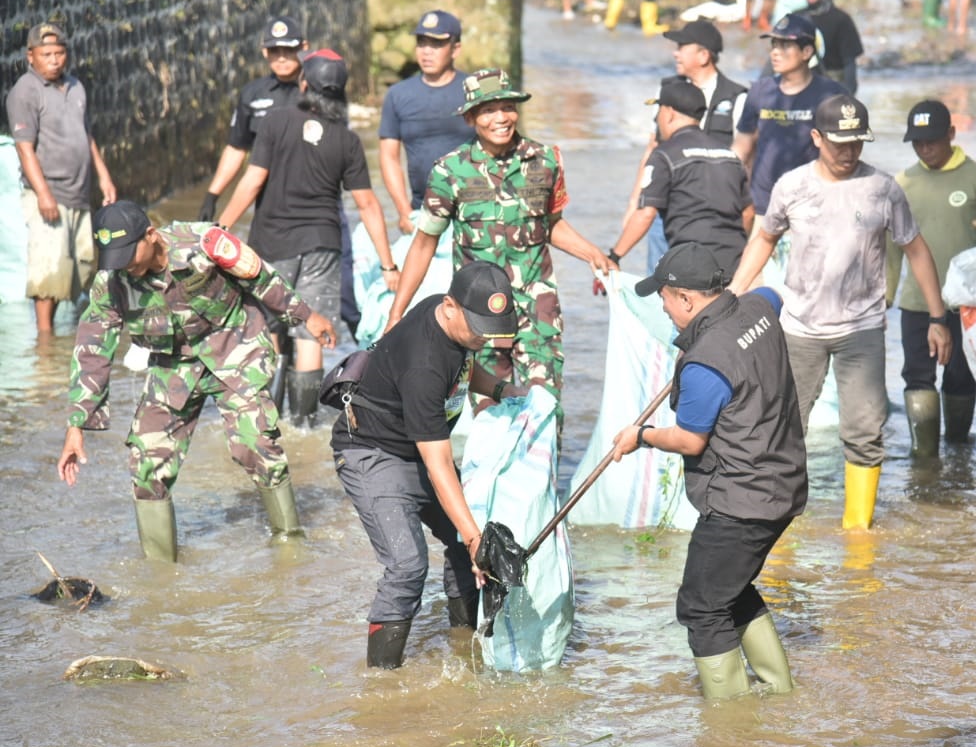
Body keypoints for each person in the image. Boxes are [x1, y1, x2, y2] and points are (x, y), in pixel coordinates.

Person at [56, 201, 338, 561]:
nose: (124, 264)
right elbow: (92, 349)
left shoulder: (204, 242)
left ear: (151, 235)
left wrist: (306, 316)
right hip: (173, 365)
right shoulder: (111, 283)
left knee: (254, 446)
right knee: (146, 465)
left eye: (129, 253)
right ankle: (160, 572)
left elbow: (261, 277)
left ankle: (290, 544)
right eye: (114, 256)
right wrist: (77, 425)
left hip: (235, 346)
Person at [729, 94, 951, 529]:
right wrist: (735, 294)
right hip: (799, 328)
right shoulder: (792, 186)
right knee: (782, 427)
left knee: (865, 433)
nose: (848, 153)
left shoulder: (883, 189)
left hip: (861, 330)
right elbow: (764, 238)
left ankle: (858, 532)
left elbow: (917, 252)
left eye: (857, 143)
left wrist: (938, 318)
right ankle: (776, 524)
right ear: (816, 138)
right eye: (838, 144)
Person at [612, 242, 807, 699]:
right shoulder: (759, 309)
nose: (663, 309)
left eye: (664, 299)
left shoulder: (705, 364)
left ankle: (729, 722)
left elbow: (688, 439)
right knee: (729, 588)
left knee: (701, 606)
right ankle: (780, 691)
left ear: (687, 298)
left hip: (740, 500)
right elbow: (773, 295)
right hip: (784, 485)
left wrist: (640, 436)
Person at [386, 68, 615, 413]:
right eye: (488, 110)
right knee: (490, 410)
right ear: (470, 117)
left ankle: (547, 468)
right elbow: (424, 243)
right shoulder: (450, 171)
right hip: (478, 313)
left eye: (507, 107)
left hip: (537, 309)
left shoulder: (545, 161)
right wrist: (396, 312)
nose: (501, 118)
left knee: (545, 405)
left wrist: (594, 254)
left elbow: (551, 225)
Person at [334, 261, 520, 667]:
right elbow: (438, 465)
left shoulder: (451, 323)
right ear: (450, 307)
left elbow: (464, 372)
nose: (482, 338)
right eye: (477, 328)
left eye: (490, 329)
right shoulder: (424, 365)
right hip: (372, 453)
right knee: (407, 567)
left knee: (460, 544)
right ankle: (383, 685)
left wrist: (506, 390)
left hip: (416, 446)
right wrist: (476, 540)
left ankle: (466, 651)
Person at [217, 49, 400, 428]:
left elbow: (252, 182)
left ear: (304, 83)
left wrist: (221, 229)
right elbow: (367, 204)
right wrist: (388, 265)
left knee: (268, 330)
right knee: (310, 335)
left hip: (272, 243)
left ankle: (262, 420)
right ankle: (302, 425)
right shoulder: (347, 140)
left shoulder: (274, 123)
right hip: (323, 246)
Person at [892, 99, 976, 456]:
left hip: (967, 301)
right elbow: (891, 247)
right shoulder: (902, 183)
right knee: (917, 376)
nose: (925, 148)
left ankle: (959, 447)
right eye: (917, 142)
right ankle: (924, 456)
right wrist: (885, 295)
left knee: (961, 376)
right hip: (916, 302)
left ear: (951, 133)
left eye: (932, 140)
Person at [6, 22, 117, 332]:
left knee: (81, 267)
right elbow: (25, 149)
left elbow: (87, 135)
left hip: (79, 191)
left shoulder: (76, 87)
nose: (55, 60)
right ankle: (45, 342)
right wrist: (43, 194)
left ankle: (69, 337)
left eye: (59, 53)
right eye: (47, 54)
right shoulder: (25, 93)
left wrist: (104, 177)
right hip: (49, 192)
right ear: (31, 56)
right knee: (48, 271)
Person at [622, 19, 749, 269]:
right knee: (659, 281)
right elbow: (652, 148)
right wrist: (634, 203)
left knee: (710, 280)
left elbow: (743, 159)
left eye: (681, 46)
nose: (675, 53)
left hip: (715, 211)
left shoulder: (737, 98)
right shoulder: (667, 91)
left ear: (703, 55)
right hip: (664, 205)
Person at [609, 77, 752, 273]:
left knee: (664, 299)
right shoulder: (729, 156)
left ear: (668, 114)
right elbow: (748, 212)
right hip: (734, 264)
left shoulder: (664, 155)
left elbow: (646, 213)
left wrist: (615, 256)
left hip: (690, 264)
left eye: (658, 112)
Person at [733, 13, 849, 225]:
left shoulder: (831, 95)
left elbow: (844, 154)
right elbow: (742, 147)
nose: (775, 52)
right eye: (774, 45)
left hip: (813, 208)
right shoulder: (760, 91)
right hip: (764, 207)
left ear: (807, 52)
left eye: (785, 46)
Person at [199, 16, 307, 221]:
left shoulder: (316, 89)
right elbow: (237, 148)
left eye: (289, 50)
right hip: (268, 201)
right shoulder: (253, 94)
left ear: (304, 47)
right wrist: (212, 195)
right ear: (265, 51)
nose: (282, 58)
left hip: (312, 195)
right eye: (275, 51)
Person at [378, 10, 473, 235]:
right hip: (423, 213)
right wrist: (403, 212)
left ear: (455, 49)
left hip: (475, 213)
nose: (427, 52)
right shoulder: (398, 95)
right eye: (421, 43)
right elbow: (389, 157)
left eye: (436, 44)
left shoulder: (473, 90)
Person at [800, 0, 864, 95]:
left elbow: (849, 63)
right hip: (801, 85)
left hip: (833, 86)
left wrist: (848, 95)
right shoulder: (796, 18)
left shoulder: (841, 20)